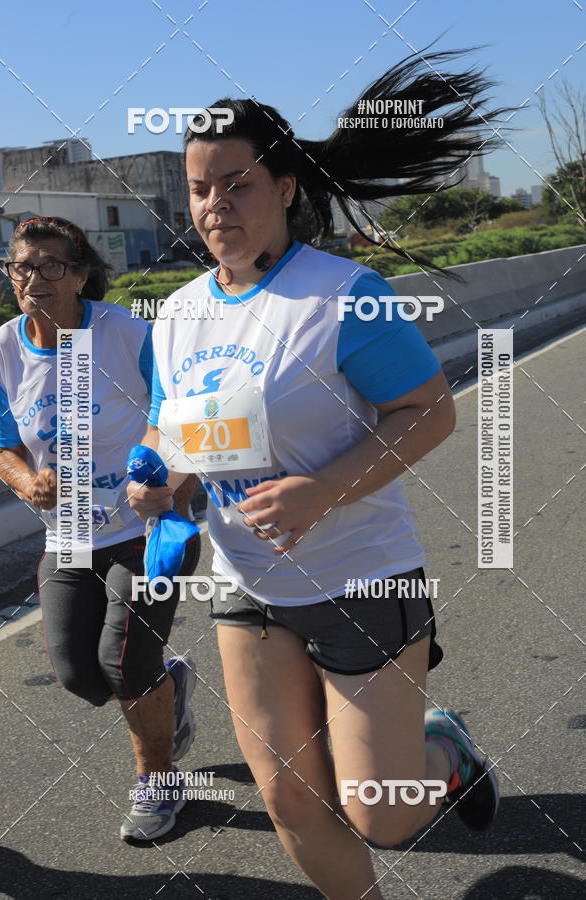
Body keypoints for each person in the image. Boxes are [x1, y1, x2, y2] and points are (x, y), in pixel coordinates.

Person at [128, 49, 507, 897]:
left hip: (361, 577)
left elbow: (429, 410)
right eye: (199, 188)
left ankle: (446, 751)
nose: (216, 204)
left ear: (286, 188)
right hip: (246, 583)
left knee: (381, 810)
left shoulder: (348, 294)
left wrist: (320, 489)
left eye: (239, 184)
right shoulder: (180, 312)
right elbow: (172, 427)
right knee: (290, 799)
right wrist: (160, 480)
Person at [0, 216, 201, 842]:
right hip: (72, 534)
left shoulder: (127, 334)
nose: (34, 278)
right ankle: (168, 688)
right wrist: (26, 482)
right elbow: (0, 444)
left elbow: (179, 411)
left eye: (52, 266)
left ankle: (159, 786)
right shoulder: (0, 350)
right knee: (81, 676)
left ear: (81, 274)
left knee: (124, 659)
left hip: (146, 527)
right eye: (21, 266)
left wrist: (163, 479)